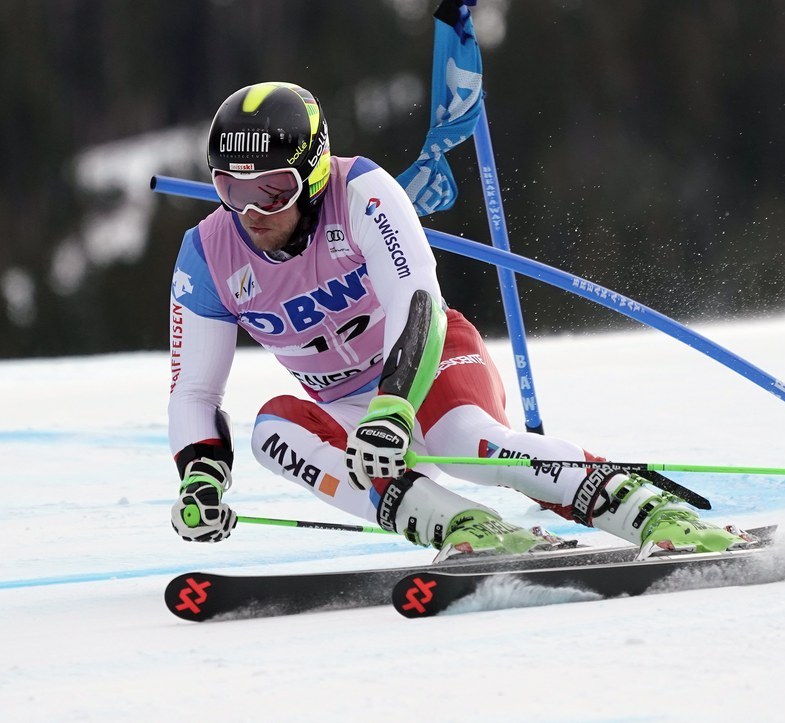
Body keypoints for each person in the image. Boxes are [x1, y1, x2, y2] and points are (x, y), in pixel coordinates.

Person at [168, 81, 742, 559]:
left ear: (313, 176)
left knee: (468, 444)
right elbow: (193, 389)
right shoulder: (208, 255)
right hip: (344, 399)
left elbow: (414, 300)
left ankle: (651, 513)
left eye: (272, 190)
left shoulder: (362, 193)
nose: (250, 211)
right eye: (229, 187)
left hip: (431, 362)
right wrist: (201, 479)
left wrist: (394, 406)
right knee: (273, 434)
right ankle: (468, 529)